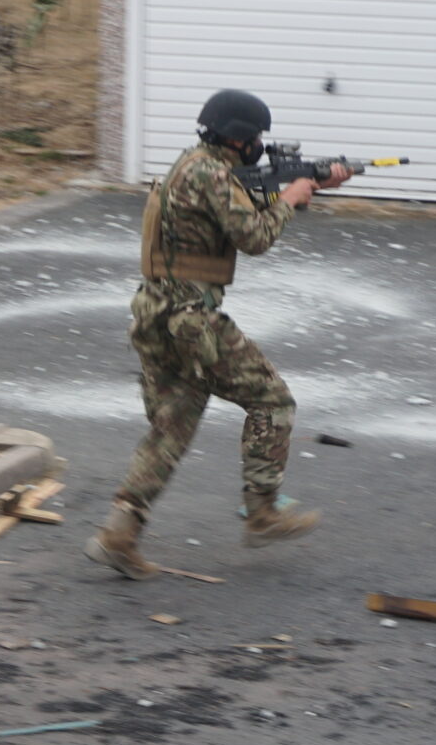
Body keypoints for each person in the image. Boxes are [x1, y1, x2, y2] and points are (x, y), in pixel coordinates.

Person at [87, 90, 353, 579]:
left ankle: (118, 534)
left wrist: (304, 186)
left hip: (155, 315)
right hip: (191, 319)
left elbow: (237, 210)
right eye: (255, 138)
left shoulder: (191, 165)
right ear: (236, 138)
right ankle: (263, 513)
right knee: (272, 401)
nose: (259, 146)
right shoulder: (212, 174)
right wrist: (292, 198)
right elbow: (254, 237)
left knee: (171, 429)